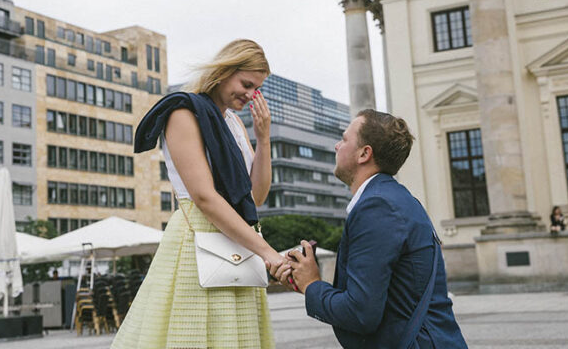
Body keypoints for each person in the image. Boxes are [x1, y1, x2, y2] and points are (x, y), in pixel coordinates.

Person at [111, 39, 285, 349]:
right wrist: (267, 252)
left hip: (237, 242)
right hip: (198, 242)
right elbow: (204, 197)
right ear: (225, 71)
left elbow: (255, 197)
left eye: (256, 90)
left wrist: (264, 138)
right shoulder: (184, 113)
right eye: (246, 84)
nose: (249, 95)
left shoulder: (233, 123)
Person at [268, 110, 467, 349]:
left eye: (344, 139)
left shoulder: (377, 206)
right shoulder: (395, 199)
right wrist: (307, 283)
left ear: (364, 153)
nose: (336, 146)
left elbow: (360, 314)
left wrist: (312, 285)